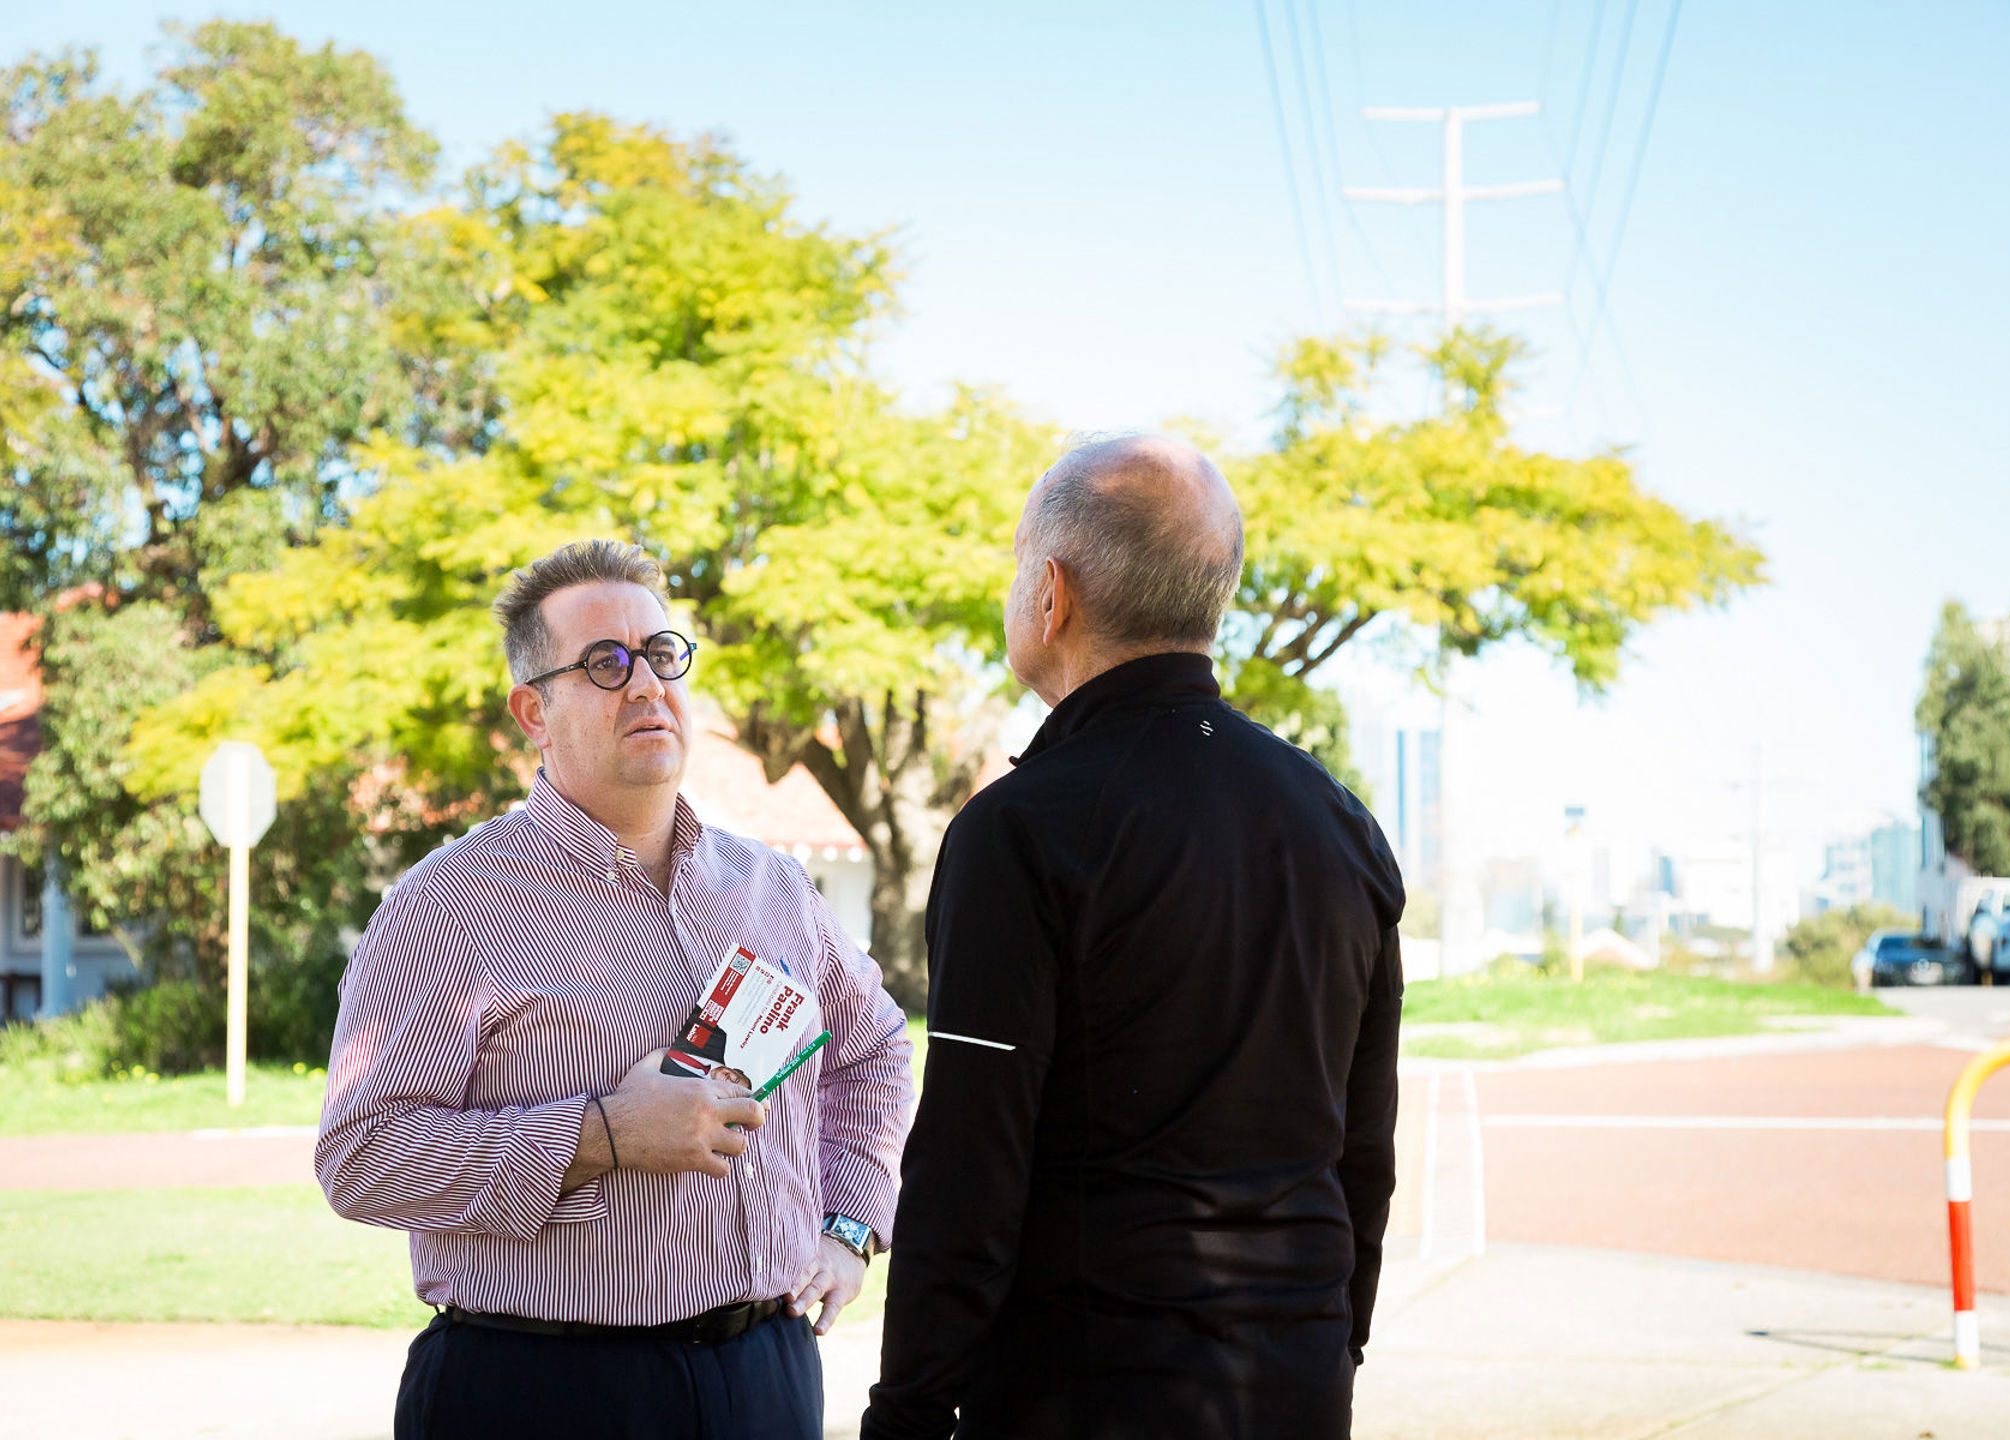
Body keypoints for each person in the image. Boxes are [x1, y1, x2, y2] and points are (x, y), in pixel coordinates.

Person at [863, 437, 1406, 1440]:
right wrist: (1335, 1346)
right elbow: (1362, 1147)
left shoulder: (1021, 830)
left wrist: (907, 1412)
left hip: (1084, 1393)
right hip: (1296, 1380)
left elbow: (968, 1168)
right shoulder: (1339, 825)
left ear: (1050, 594)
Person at [317, 539, 915, 1440]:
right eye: (605, 663)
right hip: (540, 1391)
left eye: (662, 654)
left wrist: (852, 1225)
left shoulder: (775, 888)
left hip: (768, 1377)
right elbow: (360, 1156)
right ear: (534, 710)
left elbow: (872, 1050)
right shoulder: (448, 906)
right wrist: (602, 1135)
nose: (645, 685)